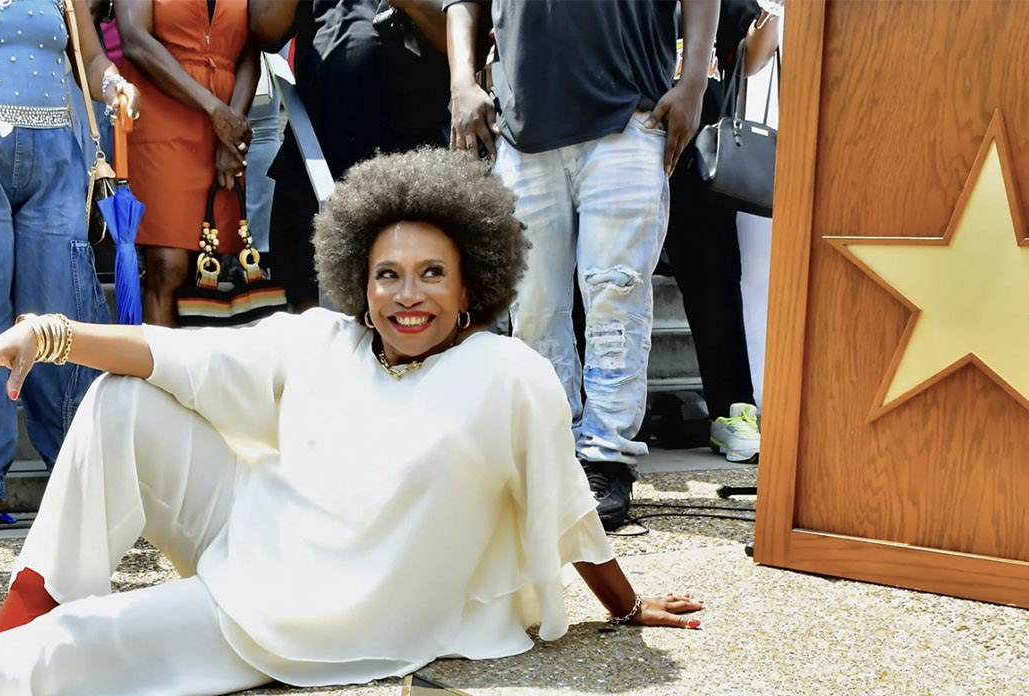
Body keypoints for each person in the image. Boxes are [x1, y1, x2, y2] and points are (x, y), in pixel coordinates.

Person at [0, 149, 703, 696]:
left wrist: (624, 604)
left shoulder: (509, 377)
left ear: (472, 281)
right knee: (130, 401)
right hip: (256, 539)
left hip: (321, 616)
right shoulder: (325, 337)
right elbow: (177, 355)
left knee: (92, 655)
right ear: (361, 274)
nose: (404, 294)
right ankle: (17, 615)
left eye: (430, 274)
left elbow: (567, 509)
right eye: (388, 272)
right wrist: (47, 331)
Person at [446, 0, 713, 529]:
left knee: (615, 298)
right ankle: (553, 454)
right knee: (535, 309)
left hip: (627, 118)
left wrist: (695, 82)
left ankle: (606, 459)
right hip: (522, 129)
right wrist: (460, 80)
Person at [0, 0, 140, 533]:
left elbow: (90, 60)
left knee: (60, 303)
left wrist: (113, 83)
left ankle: (74, 472)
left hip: (56, 152)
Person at [248, 0, 449, 310]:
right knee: (310, 300)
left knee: (415, 295)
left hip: (410, 161)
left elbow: (463, 36)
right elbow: (263, 30)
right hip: (317, 154)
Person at [668, 0, 778, 464]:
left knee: (714, 284)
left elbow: (751, 57)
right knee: (601, 278)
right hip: (621, 142)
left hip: (702, 157)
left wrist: (773, 13)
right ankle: (584, 409)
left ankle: (731, 410)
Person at [115, 0, 259, 326]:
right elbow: (135, 39)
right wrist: (215, 111)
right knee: (167, 266)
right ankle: (156, 374)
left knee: (205, 266)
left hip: (225, 118)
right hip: (162, 115)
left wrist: (231, 126)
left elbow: (252, 52)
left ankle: (195, 374)